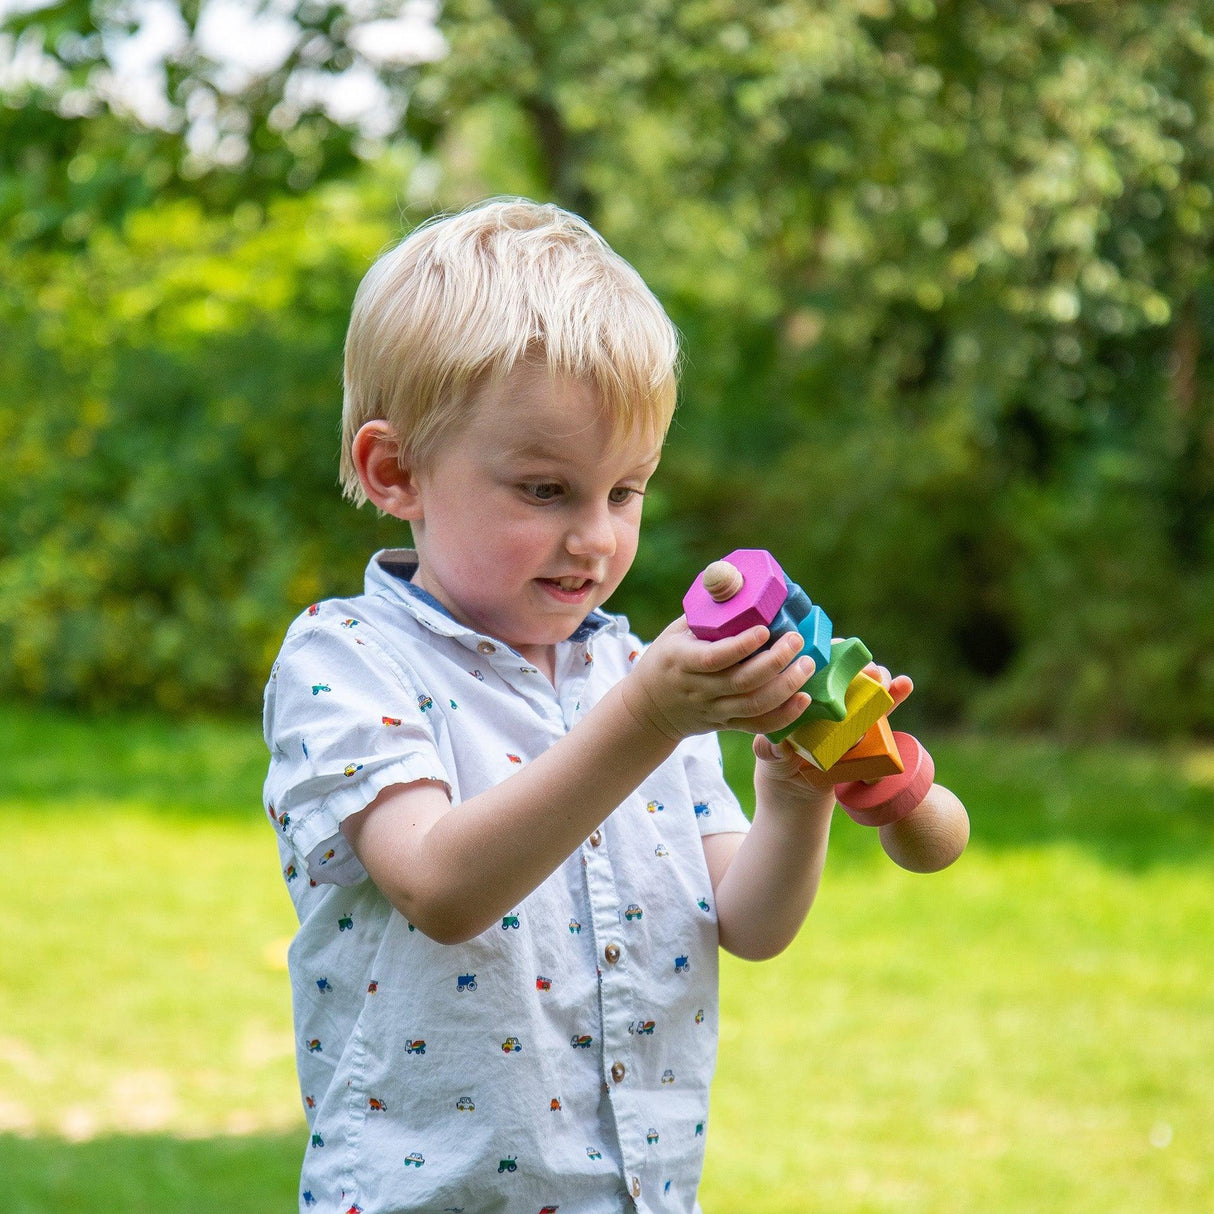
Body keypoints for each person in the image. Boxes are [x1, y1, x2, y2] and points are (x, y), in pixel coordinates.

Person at [263, 198, 907, 1214]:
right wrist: (646, 720)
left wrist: (794, 794)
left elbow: (744, 920)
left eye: (626, 491)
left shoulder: (641, 672)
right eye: (544, 490)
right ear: (397, 471)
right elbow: (440, 885)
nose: (597, 538)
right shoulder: (346, 661)